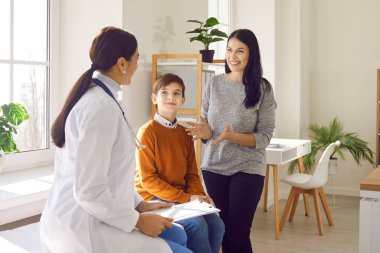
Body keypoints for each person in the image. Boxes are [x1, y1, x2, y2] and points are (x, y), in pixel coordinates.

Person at [40, 27, 193, 253]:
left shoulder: (103, 98)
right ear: (122, 63)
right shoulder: (99, 107)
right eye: (136, 59)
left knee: (178, 233)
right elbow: (88, 191)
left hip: (89, 214)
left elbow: (110, 175)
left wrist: (139, 204)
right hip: (84, 227)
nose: (137, 64)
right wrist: (138, 220)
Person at [186, 29, 277, 253]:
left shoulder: (262, 88)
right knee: (221, 232)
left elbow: (264, 137)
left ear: (251, 55)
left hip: (248, 167)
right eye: (229, 49)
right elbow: (206, 127)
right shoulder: (213, 84)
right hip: (214, 166)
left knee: (238, 235)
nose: (232, 56)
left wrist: (232, 136)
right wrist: (204, 132)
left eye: (239, 51)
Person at [134, 73, 225, 253]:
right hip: (152, 197)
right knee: (197, 226)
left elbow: (191, 174)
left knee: (217, 223)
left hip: (180, 197)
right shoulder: (147, 132)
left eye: (176, 93)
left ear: (182, 100)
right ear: (154, 98)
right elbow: (148, 180)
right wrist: (187, 198)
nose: (170, 97)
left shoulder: (185, 133)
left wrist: (201, 198)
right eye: (164, 92)